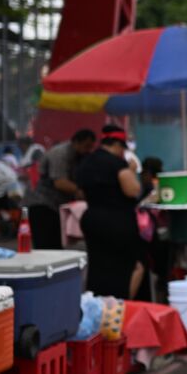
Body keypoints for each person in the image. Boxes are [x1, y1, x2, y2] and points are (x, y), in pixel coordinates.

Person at [76, 125, 144, 299]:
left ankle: (98, 308)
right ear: (117, 145)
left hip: (92, 220)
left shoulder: (86, 162)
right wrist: (131, 171)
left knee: (99, 267)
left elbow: (81, 190)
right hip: (117, 221)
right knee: (132, 266)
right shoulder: (117, 163)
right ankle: (121, 309)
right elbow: (132, 190)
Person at [29, 129, 97, 249]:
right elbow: (60, 182)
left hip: (58, 207)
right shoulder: (60, 153)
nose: (88, 150)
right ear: (76, 142)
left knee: (57, 247)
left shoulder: (79, 156)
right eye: (86, 146)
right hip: (43, 205)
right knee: (46, 247)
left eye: (91, 147)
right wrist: (79, 191)